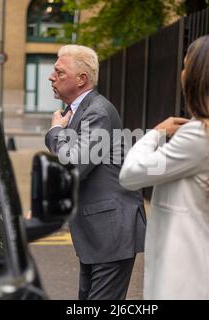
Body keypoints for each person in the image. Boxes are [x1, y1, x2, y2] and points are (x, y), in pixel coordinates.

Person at [119, 34, 209, 300]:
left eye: (186, 66)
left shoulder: (199, 136)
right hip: (195, 268)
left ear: (201, 77)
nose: (182, 73)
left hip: (186, 277)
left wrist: (156, 133)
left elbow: (130, 175)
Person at [45, 44, 146, 300]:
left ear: (81, 79)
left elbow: (75, 165)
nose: (51, 77)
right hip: (97, 233)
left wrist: (55, 132)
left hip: (110, 233)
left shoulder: (97, 111)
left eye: (59, 72)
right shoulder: (80, 111)